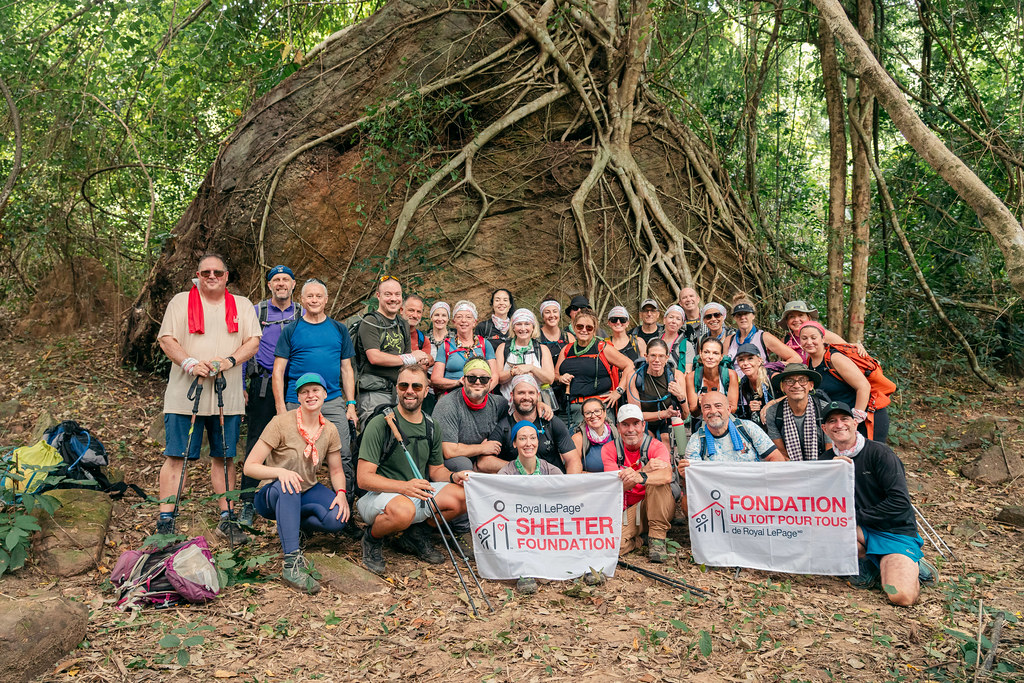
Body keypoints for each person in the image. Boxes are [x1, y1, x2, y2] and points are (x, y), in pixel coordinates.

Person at [155, 253, 260, 542]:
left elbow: (253, 341)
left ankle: (227, 517)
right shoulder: (180, 301)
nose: (211, 276)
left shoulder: (241, 305)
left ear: (227, 276)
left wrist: (228, 360)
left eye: (217, 272)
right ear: (197, 276)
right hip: (184, 393)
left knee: (225, 456)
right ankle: (166, 519)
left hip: (227, 394)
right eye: (205, 272)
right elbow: (167, 338)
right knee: (176, 456)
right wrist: (189, 362)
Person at [820, 401, 936, 606]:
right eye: (832, 421)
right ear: (825, 429)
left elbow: (900, 503)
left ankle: (910, 565)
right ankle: (869, 564)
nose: (839, 425)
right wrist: (830, 472)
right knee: (822, 532)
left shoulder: (880, 453)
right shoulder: (825, 461)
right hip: (857, 530)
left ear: (855, 422)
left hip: (893, 531)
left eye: (844, 419)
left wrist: (854, 517)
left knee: (900, 597)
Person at [357, 364, 469, 574]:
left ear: (426, 391)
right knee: (403, 511)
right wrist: (404, 487)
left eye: (417, 386)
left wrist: (454, 476)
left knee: (463, 496)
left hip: (415, 492)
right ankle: (372, 538)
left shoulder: (432, 425)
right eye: (404, 385)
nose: (410, 391)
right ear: (397, 389)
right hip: (379, 496)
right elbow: (363, 479)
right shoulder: (381, 423)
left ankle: (416, 536)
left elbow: (437, 472)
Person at [242, 372, 349, 594]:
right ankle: (291, 562)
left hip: (307, 489)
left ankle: (294, 522)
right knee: (289, 486)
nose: (311, 395)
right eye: (304, 392)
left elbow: (336, 469)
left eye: (315, 390)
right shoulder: (280, 423)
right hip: (272, 493)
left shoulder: (329, 429)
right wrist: (280, 472)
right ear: (298, 397)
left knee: (337, 519)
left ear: (324, 394)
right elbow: (250, 466)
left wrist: (341, 493)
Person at [272, 278, 358, 509]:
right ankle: (295, 516)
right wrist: (281, 407)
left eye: (319, 296)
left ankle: (344, 509)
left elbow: (346, 368)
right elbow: (278, 371)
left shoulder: (339, 329)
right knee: (296, 458)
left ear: (326, 300)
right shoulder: (291, 330)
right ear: (302, 300)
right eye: (310, 296)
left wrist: (350, 404)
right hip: (296, 401)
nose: (314, 300)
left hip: (332, 400)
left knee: (343, 455)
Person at [238, 264, 301, 527]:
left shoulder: (303, 313)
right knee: (256, 440)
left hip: (294, 385)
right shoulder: (257, 311)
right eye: (276, 280)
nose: (281, 283)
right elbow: (243, 347)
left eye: (286, 279)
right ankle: (246, 502)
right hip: (262, 384)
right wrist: (241, 385)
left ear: (293, 285)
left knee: (295, 442)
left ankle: (291, 496)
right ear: (269, 285)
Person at [679, 392, 784, 515]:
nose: (713, 411)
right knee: (688, 501)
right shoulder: (696, 440)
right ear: (702, 412)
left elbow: (777, 459)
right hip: (718, 495)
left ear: (728, 409)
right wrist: (686, 473)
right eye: (707, 407)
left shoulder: (748, 428)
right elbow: (694, 482)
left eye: (718, 406)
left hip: (754, 492)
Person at [602, 405, 675, 563]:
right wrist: (644, 470)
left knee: (658, 483)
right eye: (625, 424)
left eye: (635, 424)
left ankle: (657, 539)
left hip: (659, 505)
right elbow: (614, 488)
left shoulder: (656, 446)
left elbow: (666, 475)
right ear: (618, 427)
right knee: (613, 546)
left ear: (643, 425)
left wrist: (640, 476)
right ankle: (640, 540)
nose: (631, 429)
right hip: (632, 509)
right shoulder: (609, 449)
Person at [355, 276, 432, 423]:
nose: (393, 299)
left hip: (398, 391)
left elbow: (408, 362)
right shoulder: (370, 322)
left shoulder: (402, 323)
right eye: (388, 294)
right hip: (374, 392)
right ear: (378, 295)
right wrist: (410, 357)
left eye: (397, 294)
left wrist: (421, 360)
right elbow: (374, 357)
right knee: (375, 438)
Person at [798, 321, 889, 442]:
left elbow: (863, 386)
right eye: (804, 338)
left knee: (872, 458)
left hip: (866, 417)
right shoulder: (809, 362)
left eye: (813, 337)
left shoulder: (834, 358)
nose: (809, 342)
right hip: (842, 423)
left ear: (823, 338)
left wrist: (856, 420)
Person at [555, 308, 632, 430]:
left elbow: (629, 365)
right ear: (574, 327)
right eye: (580, 326)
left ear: (594, 329)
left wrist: (619, 391)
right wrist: (560, 378)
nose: (584, 330)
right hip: (574, 409)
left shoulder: (602, 348)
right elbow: (555, 374)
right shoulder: (566, 350)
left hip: (599, 408)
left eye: (589, 327)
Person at [490, 375, 581, 473]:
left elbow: (573, 460)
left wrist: (567, 486)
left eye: (531, 393)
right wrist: (520, 467)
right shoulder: (504, 426)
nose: (526, 397)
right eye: (521, 393)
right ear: (512, 395)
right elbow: (483, 462)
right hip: (519, 484)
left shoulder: (551, 422)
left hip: (551, 482)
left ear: (538, 396)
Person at [433, 358, 510, 473]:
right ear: (463, 380)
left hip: (484, 458)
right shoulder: (448, 404)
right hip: (454, 460)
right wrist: (482, 448)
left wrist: (539, 404)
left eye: (483, 379)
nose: (478, 382)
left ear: (490, 381)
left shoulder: (500, 404)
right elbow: (449, 451)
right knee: (463, 465)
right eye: (472, 378)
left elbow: (520, 411)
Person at [626, 339, 688, 448]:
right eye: (653, 355)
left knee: (665, 444)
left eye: (661, 356)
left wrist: (681, 396)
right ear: (646, 357)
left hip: (667, 422)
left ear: (667, 358)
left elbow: (685, 415)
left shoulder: (676, 376)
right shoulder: (634, 377)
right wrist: (664, 414)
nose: (657, 360)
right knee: (649, 446)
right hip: (645, 423)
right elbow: (635, 415)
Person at [763, 363, 831, 461]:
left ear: (811, 385)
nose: (796, 385)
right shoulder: (773, 413)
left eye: (802, 380)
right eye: (790, 381)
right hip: (790, 467)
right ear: (783, 387)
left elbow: (830, 451)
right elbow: (782, 452)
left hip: (822, 464)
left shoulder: (824, 409)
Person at [431, 301, 499, 394]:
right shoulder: (446, 346)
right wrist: (457, 382)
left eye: (468, 317)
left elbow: (495, 377)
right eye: (459, 317)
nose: (463, 320)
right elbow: (435, 379)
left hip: (481, 395)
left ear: (474, 322)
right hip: (453, 395)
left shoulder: (484, 344)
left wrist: (483, 393)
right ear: (454, 322)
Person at [495, 308, 556, 404]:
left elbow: (550, 378)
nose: (523, 328)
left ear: (533, 327)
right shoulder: (503, 348)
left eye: (527, 324)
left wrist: (531, 368)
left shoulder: (542, 349)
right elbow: (497, 378)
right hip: (507, 404)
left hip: (535, 404)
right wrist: (514, 371)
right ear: (513, 328)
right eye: (519, 324)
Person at [778, 300, 866, 363]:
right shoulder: (785, 341)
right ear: (787, 321)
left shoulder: (823, 334)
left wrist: (857, 346)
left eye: (801, 315)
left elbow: (845, 348)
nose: (796, 320)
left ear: (809, 318)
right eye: (791, 317)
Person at [724, 296, 802, 363]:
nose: (743, 317)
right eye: (739, 314)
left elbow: (796, 358)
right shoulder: (729, 340)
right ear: (734, 318)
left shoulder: (764, 337)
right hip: (734, 380)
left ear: (753, 315)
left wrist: (773, 368)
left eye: (746, 313)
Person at [685, 337, 739, 422]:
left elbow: (733, 408)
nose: (710, 357)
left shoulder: (730, 375)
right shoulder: (691, 377)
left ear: (721, 357)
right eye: (706, 352)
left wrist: (711, 403)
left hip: (725, 422)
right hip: (701, 423)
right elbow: (694, 412)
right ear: (700, 354)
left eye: (715, 353)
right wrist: (699, 405)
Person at [734, 343, 776, 429]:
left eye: (750, 358)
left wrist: (771, 403)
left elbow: (791, 396)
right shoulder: (744, 383)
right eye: (741, 360)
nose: (745, 363)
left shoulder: (772, 377)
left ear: (759, 360)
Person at [570, 397, 619, 472]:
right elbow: (574, 473)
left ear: (605, 413)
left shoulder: (616, 434)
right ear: (584, 417)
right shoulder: (578, 438)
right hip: (590, 482)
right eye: (588, 413)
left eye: (597, 411)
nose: (593, 416)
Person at [660, 304, 693, 370]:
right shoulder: (654, 342)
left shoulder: (687, 346)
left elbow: (687, 372)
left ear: (682, 324)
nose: (674, 321)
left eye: (678, 319)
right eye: (671, 317)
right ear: (664, 320)